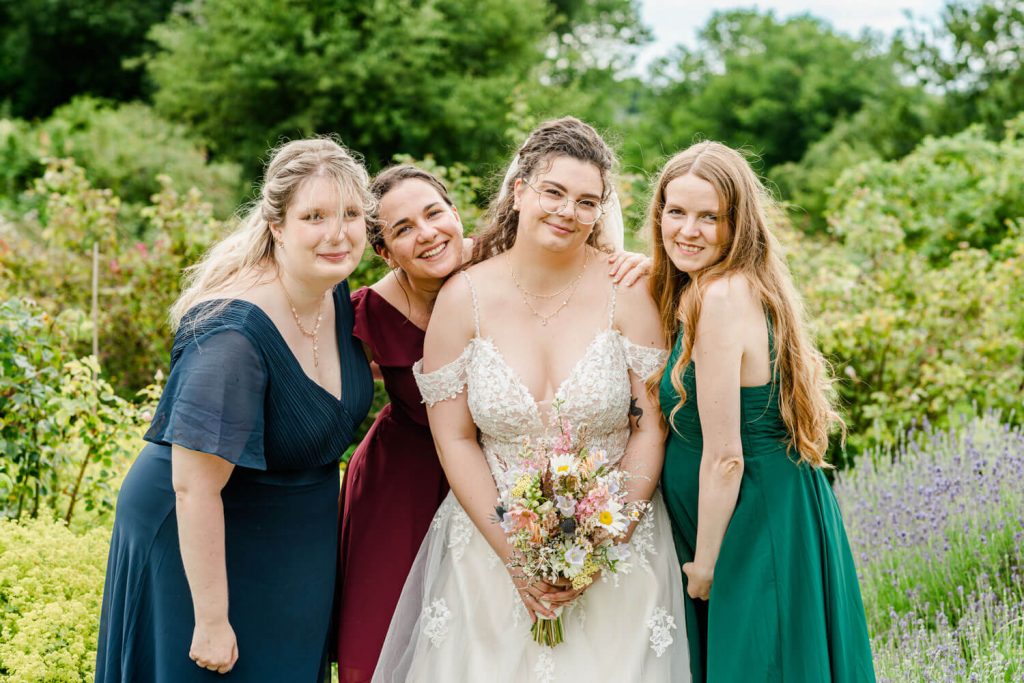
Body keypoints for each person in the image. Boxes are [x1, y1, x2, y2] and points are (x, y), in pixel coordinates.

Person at [372, 117, 690, 682]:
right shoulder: (462, 298)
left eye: (587, 201)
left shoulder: (630, 290)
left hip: (618, 555)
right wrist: (517, 559)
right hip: (489, 554)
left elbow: (650, 429)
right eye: (554, 192)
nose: (568, 211)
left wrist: (602, 544)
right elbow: (455, 437)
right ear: (520, 191)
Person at [95, 137, 375, 682]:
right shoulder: (233, 334)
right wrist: (212, 620)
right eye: (314, 216)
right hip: (197, 536)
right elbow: (193, 487)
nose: (337, 233)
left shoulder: (332, 291)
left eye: (350, 214)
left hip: (288, 537)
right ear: (277, 225)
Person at [649, 141, 876, 681]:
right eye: (676, 212)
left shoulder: (721, 299)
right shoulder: (726, 285)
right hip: (760, 511)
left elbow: (726, 458)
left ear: (738, 225)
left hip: (751, 523)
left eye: (710, 217)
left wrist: (704, 565)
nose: (688, 229)